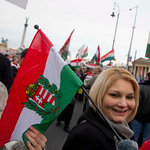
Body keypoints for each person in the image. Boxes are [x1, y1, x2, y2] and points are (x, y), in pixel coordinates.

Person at [62, 68, 139, 150]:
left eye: (129, 97)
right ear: (99, 95)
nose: (123, 104)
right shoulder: (88, 137)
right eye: (114, 95)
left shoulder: (123, 126)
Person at [56, 64, 76, 133]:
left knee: (69, 114)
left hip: (71, 100)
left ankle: (66, 126)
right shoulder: (63, 76)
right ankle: (58, 120)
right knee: (61, 110)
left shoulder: (75, 79)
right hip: (63, 98)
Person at [131, 72, 150, 145]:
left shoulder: (140, 87)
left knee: (134, 137)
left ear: (147, 77)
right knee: (147, 139)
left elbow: (136, 102)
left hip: (138, 116)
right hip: (149, 118)